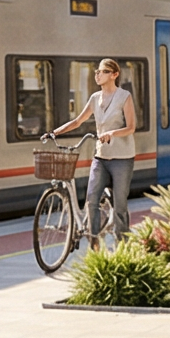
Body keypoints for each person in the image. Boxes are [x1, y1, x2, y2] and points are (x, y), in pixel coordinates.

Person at [49, 59, 139, 248]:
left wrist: (111, 133)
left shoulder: (124, 96)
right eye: (97, 71)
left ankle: (123, 246)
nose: (98, 74)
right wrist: (55, 132)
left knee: (120, 205)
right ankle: (95, 243)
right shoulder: (94, 98)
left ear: (114, 75)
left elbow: (131, 128)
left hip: (122, 158)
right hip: (101, 156)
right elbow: (77, 122)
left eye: (104, 71)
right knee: (91, 199)